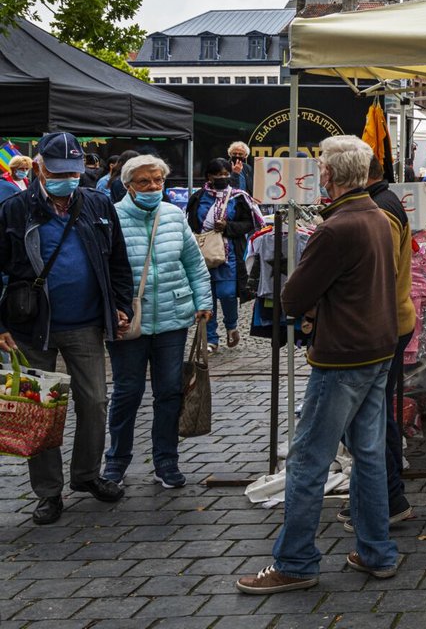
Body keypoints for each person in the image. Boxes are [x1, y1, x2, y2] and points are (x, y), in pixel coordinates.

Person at [237, 135, 401, 594]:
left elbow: (291, 297)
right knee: (368, 456)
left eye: (322, 168)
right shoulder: (376, 214)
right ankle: (376, 551)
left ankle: (296, 561)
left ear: (328, 176)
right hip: (375, 348)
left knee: (308, 459)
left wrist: (310, 302)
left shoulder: (337, 226)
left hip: (343, 355)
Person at [0, 131, 132, 525]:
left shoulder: (96, 203)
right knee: (39, 410)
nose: (68, 179)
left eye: (74, 172)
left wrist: (121, 305)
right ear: (38, 166)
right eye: (58, 172)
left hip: (85, 322)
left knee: (93, 401)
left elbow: (117, 261)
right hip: (31, 326)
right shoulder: (15, 208)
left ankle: (87, 475)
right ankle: (48, 492)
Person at [105, 155, 213, 490]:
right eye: (144, 181)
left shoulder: (173, 215)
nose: (153, 187)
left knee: (168, 391)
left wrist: (203, 301)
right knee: (127, 391)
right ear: (128, 186)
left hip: (171, 318)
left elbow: (193, 262)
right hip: (128, 322)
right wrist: (111, 310)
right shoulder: (111, 218)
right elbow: (104, 271)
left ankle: (166, 460)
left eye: (158, 181)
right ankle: (116, 462)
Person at [359, 154, 417, 531]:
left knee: (373, 414)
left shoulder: (380, 210)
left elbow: (380, 273)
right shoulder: (384, 203)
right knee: (376, 412)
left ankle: (388, 498)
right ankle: (383, 496)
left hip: (382, 325)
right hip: (388, 321)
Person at [186, 158, 259, 351]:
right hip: (203, 254)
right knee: (207, 297)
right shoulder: (198, 197)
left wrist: (229, 227)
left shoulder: (238, 197)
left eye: (227, 174)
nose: (223, 178)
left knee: (227, 293)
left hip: (229, 254)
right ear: (209, 176)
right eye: (218, 174)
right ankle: (211, 339)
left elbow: (249, 223)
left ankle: (231, 326)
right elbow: (191, 224)